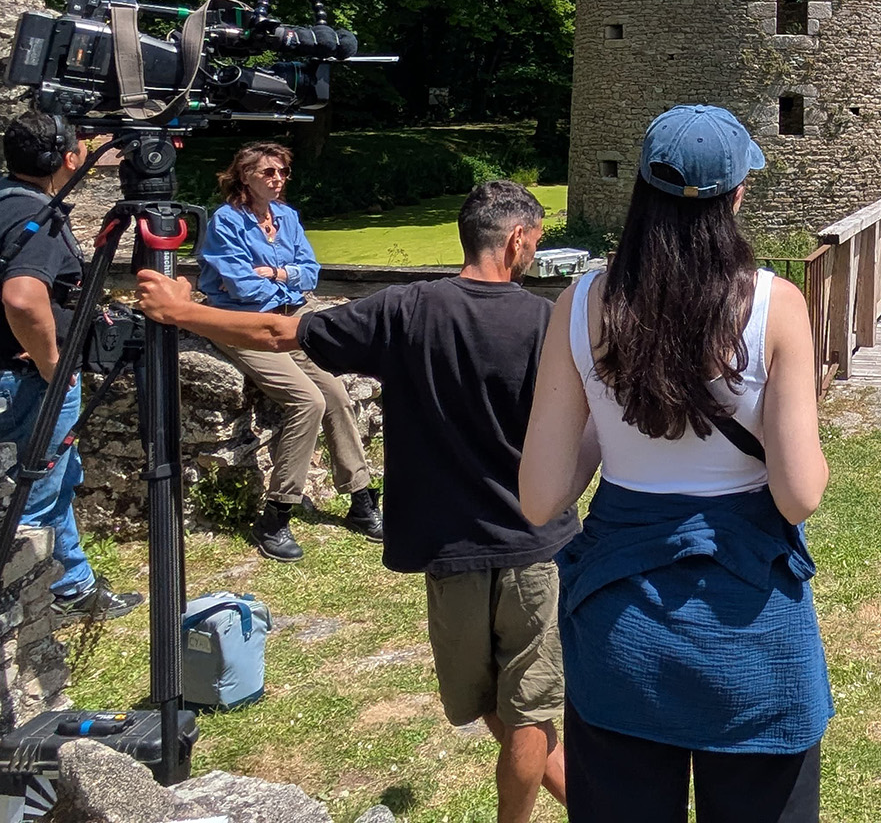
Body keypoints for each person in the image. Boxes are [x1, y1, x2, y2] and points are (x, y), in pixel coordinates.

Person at [137, 180, 574, 823]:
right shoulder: (548, 322)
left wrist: (181, 313)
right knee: (527, 707)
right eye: (535, 239)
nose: (533, 251)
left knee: (490, 699)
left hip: (449, 546)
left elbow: (277, 331)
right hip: (533, 544)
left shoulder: (407, 310)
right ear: (516, 239)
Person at [518, 104, 832, 822]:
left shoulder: (580, 304)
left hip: (621, 633)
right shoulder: (776, 304)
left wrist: (609, 424)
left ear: (641, 188)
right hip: (749, 630)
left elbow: (540, 497)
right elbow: (798, 494)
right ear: (737, 194)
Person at [195, 141, 378, 561]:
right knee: (307, 400)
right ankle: (275, 516)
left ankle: (361, 499)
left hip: (290, 319)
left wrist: (278, 273)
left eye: (282, 172)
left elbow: (310, 272)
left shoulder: (287, 217)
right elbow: (241, 286)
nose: (278, 179)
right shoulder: (227, 222)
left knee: (337, 394)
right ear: (245, 176)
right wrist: (287, 282)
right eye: (269, 172)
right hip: (241, 323)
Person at [0, 113, 142, 626]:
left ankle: (72, 583)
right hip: (28, 381)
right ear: (67, 158)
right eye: (81, 144)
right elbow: (21, 297)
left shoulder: (5, 201)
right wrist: (52, 364)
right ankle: (28, 613)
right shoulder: (37, 216)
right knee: (35, 492)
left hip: (14, 374)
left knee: (51, 481)